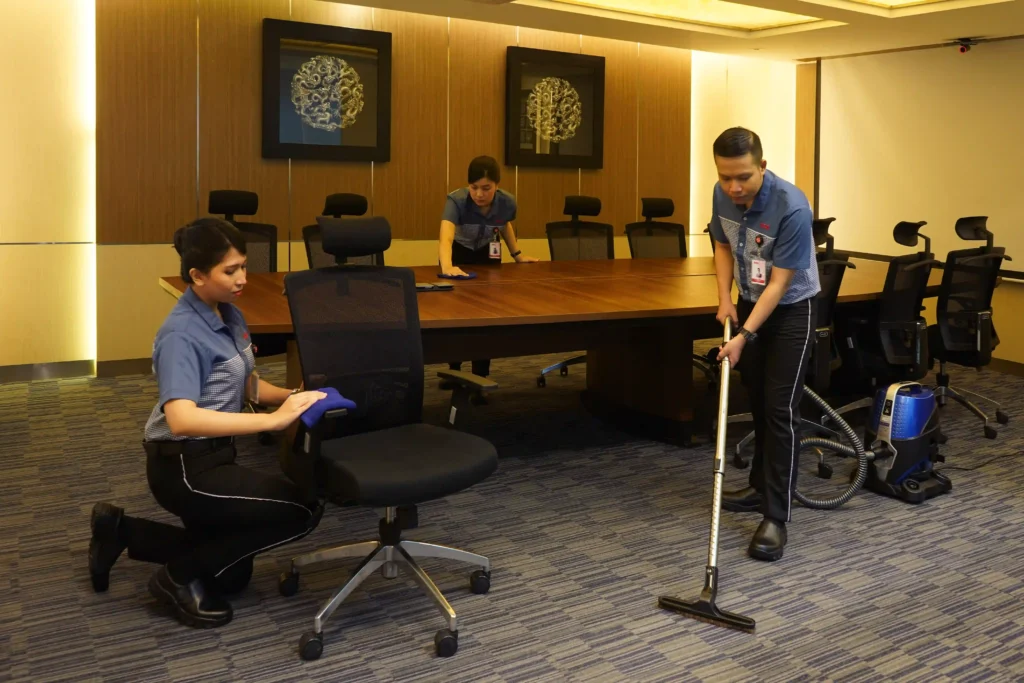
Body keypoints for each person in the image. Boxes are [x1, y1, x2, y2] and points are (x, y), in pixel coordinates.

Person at [88, 218, 329, 628]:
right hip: (182, 465)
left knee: (231, 575)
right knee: (300, 512)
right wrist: (272, 423)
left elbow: (242, 381)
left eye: (243, 267)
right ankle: (175, 579)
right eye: (230, 271)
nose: (242, 278)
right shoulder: (181, 334)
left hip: (216, 456)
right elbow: (181, 419)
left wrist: (292, 396)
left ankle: (121, 532)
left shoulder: (227, 313)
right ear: (197, 276)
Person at [707, 127, 820, 562]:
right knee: (756, 400)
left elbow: (779, 284)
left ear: (763, 167)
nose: (734, 187)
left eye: (744, 177)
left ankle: (776, 515)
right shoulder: (722, 195)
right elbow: (720, 244)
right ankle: (759, 488)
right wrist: (723, 299)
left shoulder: (791, 206)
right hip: (749, 301)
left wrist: (744, 336)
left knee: (779, 411)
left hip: (791, 309)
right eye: (725, 177)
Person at [438, 155, 537, 380]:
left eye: (486, 188)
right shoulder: (457, 200)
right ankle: (453, 371)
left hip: (487, 253)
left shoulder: (507, 202)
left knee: (486, 315)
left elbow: (504, 225)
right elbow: (445, 237)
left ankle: (481, 376)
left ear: (497, 186)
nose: (479, 194)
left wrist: (517, 255)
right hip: (458, 253)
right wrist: (447, 267)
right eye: (474, 187)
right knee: (457, 316)